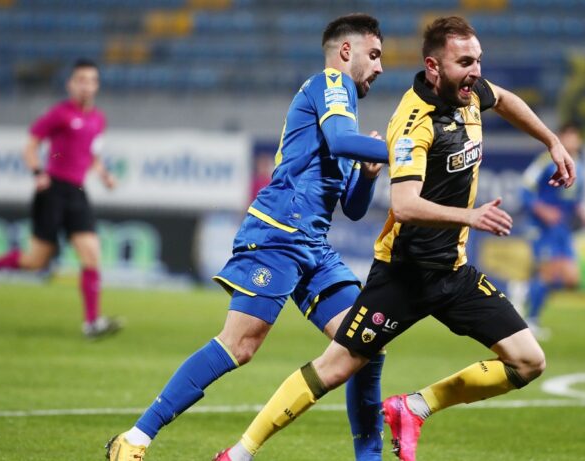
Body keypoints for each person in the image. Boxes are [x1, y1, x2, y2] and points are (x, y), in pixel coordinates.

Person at [211, 16, 577, 461]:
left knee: (529, 361)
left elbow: (504, 99)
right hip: (403, 274)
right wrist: (470, 216)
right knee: (335, 368)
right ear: (433, 66)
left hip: (453, 271)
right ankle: (239, 453)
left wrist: (551, 141)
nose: (476, 72)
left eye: (478, 60)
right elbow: (403, 205)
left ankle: (414, 408)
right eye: (465, 63)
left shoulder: (470, 93)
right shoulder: (412, 121)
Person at [105, 13, 389, 461]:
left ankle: (369, 458)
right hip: (278, 233)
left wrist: (370, 175)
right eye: (373, 55)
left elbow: (353, 207)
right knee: (240, 344)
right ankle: (136, 437)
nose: (379, 66)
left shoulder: (346, 112)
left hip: (313, 245)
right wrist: (405, 150)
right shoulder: (331, 84)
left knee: (365, 342)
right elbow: (338, 141)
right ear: (346, 51)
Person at [0, 58, 121, 339]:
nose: (86, 86)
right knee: (35, 261)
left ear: (97, 86)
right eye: (81, 80)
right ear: (71, 84)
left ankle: (91, 323)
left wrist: (104, 175)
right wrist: (38, 172)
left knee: (91, 254)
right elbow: (30, 145)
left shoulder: (98, 119)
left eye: (91, 81)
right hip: (53, 190)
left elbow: (92, 155)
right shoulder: (59, 114)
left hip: (77, 193)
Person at [521, 123, 585, 339]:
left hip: (563, 229)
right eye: (568, 136)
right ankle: (531, 319)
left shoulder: (580, 165)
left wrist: (580, 209)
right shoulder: (545, 161)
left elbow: (573, 196)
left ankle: (524, 294)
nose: (573, 141)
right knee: (548, 272)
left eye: (576, 137)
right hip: (543, 228)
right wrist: (542, 210)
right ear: (559, 138)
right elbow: (525, 189)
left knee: (571, 278)